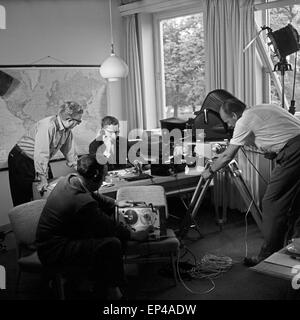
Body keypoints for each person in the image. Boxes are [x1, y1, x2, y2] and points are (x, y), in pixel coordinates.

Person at [36, 154, 151, 300]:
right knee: (112, 243)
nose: (104, 179)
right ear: (95, 175)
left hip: (53, 240)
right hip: (53, 250)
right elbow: (107, 226)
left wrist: (116, 203)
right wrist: (134, 235)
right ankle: (113, 291)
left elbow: (94, 196)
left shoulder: (71, 179)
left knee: (103, 235)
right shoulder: (81, 200)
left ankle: (91, 280)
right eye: (104, 176)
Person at [201, 99, 300, 266]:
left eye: (228, 122)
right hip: (293, 149)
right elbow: (284, 132)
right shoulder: (265, 107)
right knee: (295, 202)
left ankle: (268, 256)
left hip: (294, 153)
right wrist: (273, 150)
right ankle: (295, 247)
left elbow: (227, 156)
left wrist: (210, 171)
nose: (230, 126)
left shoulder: (243, 121)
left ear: (234, 115)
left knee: (271, 202)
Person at [8, 101, 83, 206]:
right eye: (79, 121)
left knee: (49, 192)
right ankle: (24, 221)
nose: (78, 124)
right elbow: (41, 153)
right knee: (23, 198)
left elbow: (70, 154)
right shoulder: (47, 126)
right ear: (70, 120)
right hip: (21, 158)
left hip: (39, 159)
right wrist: (43, 178)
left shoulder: (67, 131)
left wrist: (83, 171)